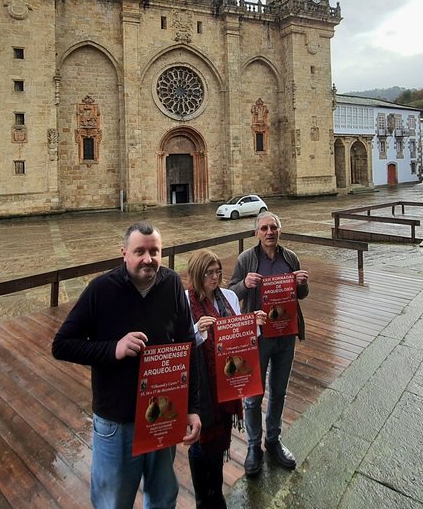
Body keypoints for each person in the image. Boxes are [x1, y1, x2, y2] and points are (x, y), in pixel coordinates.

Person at [52, 221, 201, 509]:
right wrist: (113, 349)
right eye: (140, 251)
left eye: (154, 251)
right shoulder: (101, 290)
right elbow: (62, 344)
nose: (148, 259)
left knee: (163, 497)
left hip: (163, 416)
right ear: (124, 253)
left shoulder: (171, 283)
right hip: (118, 422)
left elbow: (188, 344)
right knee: (114, 502)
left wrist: (191, 407)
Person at [228, 212, 309, 476]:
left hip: (286, 336)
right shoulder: (246, 259)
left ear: (280, 231)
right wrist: (244, 284)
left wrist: (302, 284)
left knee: (279, 392)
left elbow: (301, 295)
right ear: (257, 233)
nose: (269, 232)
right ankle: (253, 447)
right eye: (264, 228)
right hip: (258, 337)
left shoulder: (290, 258)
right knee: (253, 395)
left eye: (273, 227)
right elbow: (231, 294)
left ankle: (272, 440)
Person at [185, 249, 265, 508]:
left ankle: (216, 494)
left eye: (218, 271)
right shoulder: (185, 301)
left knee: (219, 438)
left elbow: (238, 337)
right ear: (197, 273)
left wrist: (254, 324)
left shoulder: (228, 296)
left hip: (226, 381)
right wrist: (197, 330)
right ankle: (202, 499)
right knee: (200, 439)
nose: (215, 277)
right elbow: (179, 344)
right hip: (201, 384)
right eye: (209, 272)